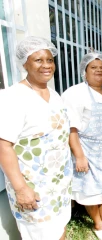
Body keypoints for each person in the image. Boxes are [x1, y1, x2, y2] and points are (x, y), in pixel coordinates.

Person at [0, 36, 72, 240]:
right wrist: (21, 188)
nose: (46, 65)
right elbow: (3, 145)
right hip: (33, 188)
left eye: (49, 60)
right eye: (38, 60)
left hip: (59, 184)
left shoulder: (54, 95)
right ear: (24, 63)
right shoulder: (13, 97)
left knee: (59, 229)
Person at [62, 52, 102, 240]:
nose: (99, 71)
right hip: (88, 152)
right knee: (89, 190)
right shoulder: (75, 93)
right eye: (93, 67)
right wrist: (79, 156)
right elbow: (71, 128)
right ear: (84, 72)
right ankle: (97, 224)